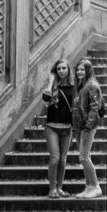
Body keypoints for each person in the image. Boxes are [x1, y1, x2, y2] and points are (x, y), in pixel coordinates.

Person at [41, 59, 76, 197]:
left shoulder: (74, 88)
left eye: (64, 68)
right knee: (55, 157)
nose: (61, 71)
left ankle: (60, 188)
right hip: (52, 127)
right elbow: (45, 98)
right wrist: (50, 82)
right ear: (56, 72)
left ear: (68, 70)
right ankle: (52, 188)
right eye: (59, 69)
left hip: (67, 128)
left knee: (63, 159)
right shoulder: (53, 87)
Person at [72, 58, 104, 198]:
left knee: (84, 157)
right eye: (78, 69)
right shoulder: (81, 85)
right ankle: (88, 186)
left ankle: (96, 187)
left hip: (87, 127)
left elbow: (94, 108)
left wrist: (87, 128)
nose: (79, 72)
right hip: (80, 126)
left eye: (82, 69)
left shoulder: (91, 85)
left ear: (88, 70)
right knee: (85, 156)